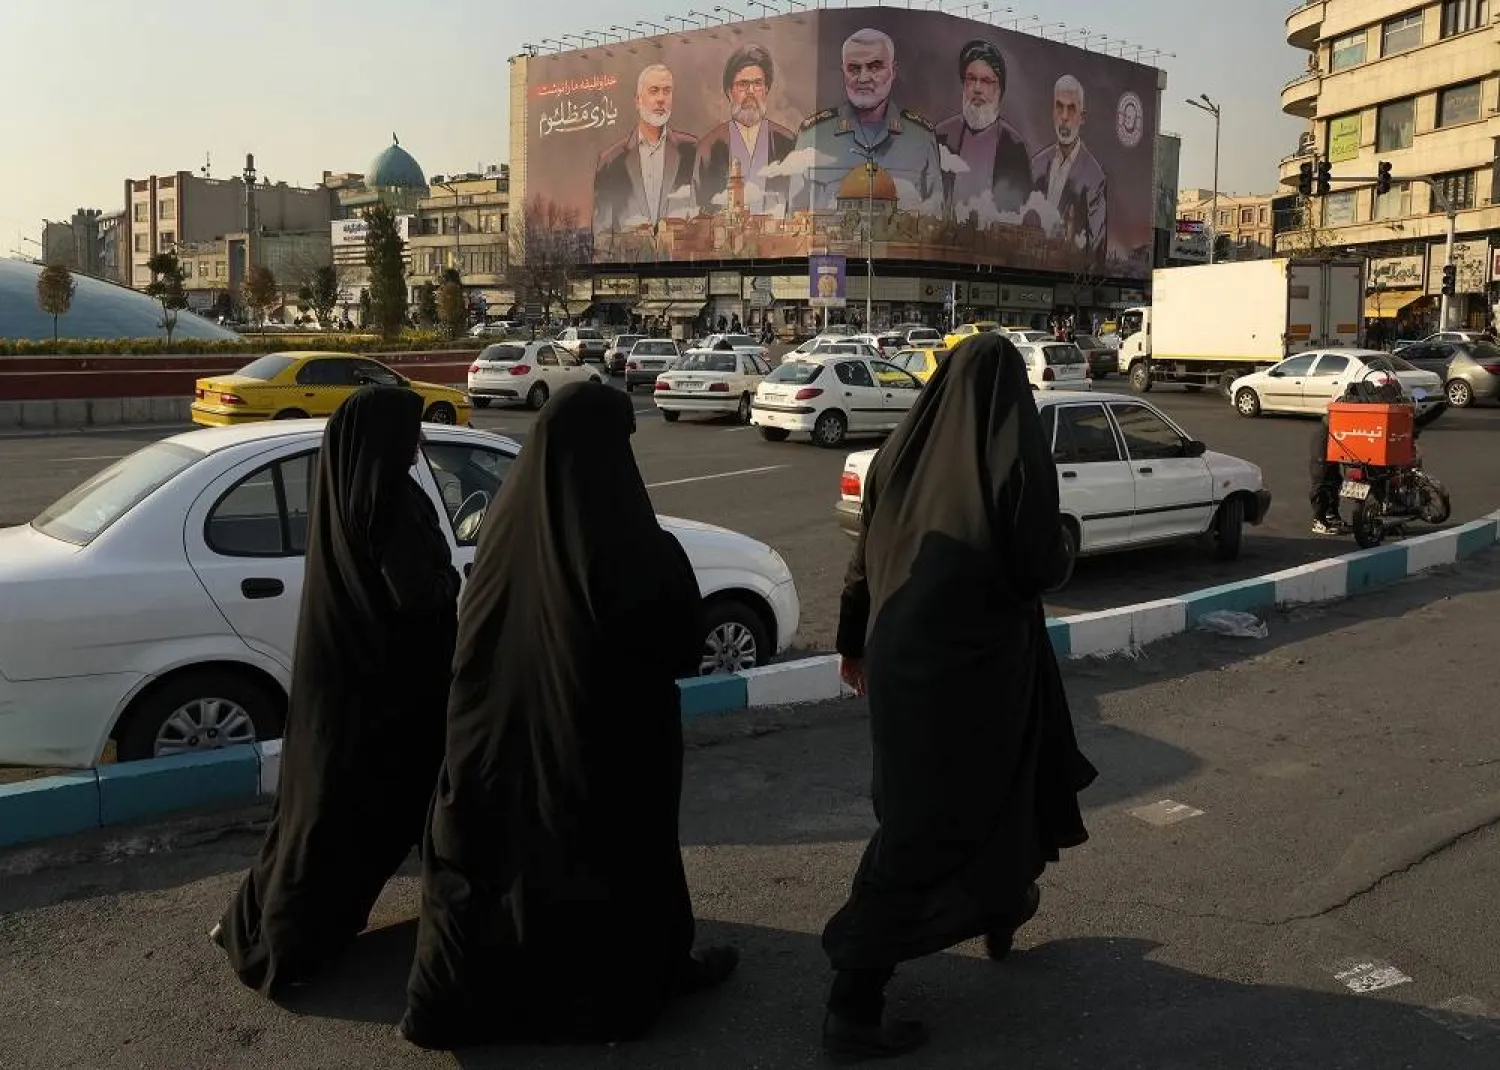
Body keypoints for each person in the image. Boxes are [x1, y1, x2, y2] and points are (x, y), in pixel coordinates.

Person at [399, 383, 737, 1050]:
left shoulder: (502, 526)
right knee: (619, 863)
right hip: (600, 747)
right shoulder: (630, 541)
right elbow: (679, 642)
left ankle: (476, 998)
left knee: (506, 867)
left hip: (492, 742)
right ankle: (640, 980)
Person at [826, 334, 1097, 1060]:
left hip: (896, 663)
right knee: (938, 822)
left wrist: (852, 642)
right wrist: (1065, 551)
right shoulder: (1010, 456)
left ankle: (1004, 905)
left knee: (945, 805)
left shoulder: (896, 454)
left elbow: (864, 560)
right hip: (977, 675)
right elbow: (1041, 562)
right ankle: (854, 997)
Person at [214, 386, 460, 997]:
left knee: (313, 813)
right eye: (411, 431)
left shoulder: (345, 491)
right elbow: (417, 594)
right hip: (391, 696)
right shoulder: (392, 502)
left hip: (343, 686)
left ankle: (251, 921)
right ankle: (285, 944)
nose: (421, 440)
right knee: (356, 824)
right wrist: (456, 580)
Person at [935, 40, 1033, 216]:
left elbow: (1018, 211)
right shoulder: (940, 135)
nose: (977, 89)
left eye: (987, 81)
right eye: (971, 79)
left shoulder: (1014, 146)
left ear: (999, 89)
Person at [1030, 75, 1108, 274]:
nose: (1064, 117)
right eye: (1059, 106)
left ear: (1082, 117)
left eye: (1071, 108)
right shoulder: (1037, 165)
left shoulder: (1094, 177)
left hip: (1069, 281)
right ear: (1052, 111)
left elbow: (1096, 247)